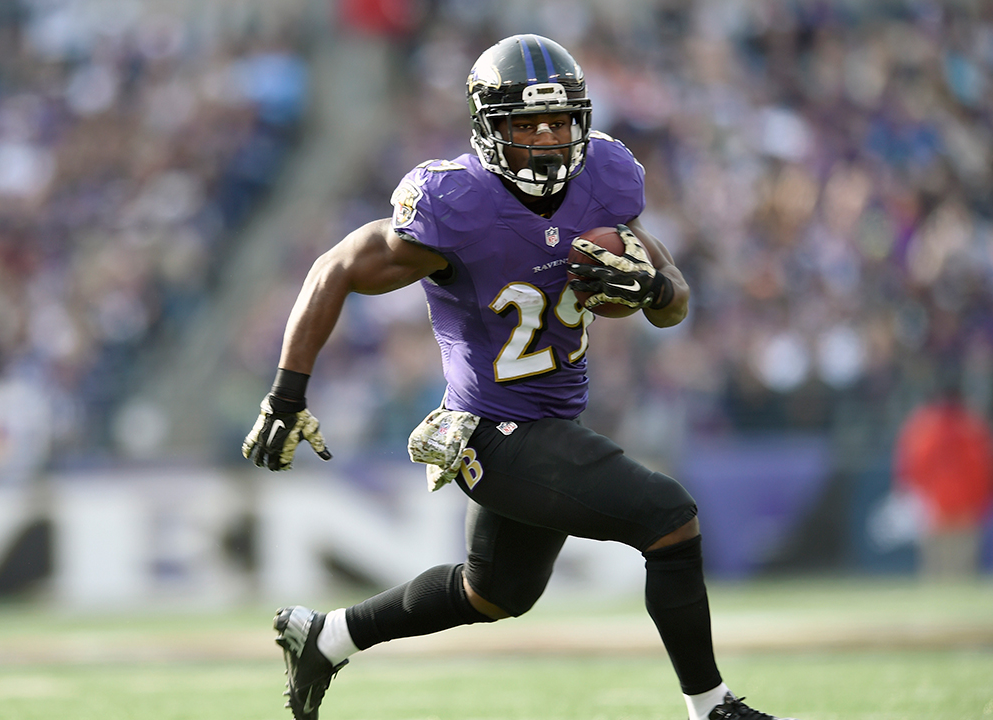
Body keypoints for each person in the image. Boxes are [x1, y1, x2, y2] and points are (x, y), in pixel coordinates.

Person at [243, 34, 797, 720]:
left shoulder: (604, 180)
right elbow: (335, 268)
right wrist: (286, 395)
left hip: (551, 422)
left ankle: (325, 637)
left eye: (558, 122)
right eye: (526, 124)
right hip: (491, 433)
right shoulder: (456, 204)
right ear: (488, 128)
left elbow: (674, 301)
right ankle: (711, 709)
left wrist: (653, 287)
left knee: (495, 593)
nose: (545, 140)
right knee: (670, 520)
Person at [893, 369, 993, 579]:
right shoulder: (972, 426)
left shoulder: (924, 426)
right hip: (964, 504)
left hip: (935, 502)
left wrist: (914, 494)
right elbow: (983, 468)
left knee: (936, 566)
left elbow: (911, 465)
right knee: (961, 566)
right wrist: (980, 500)